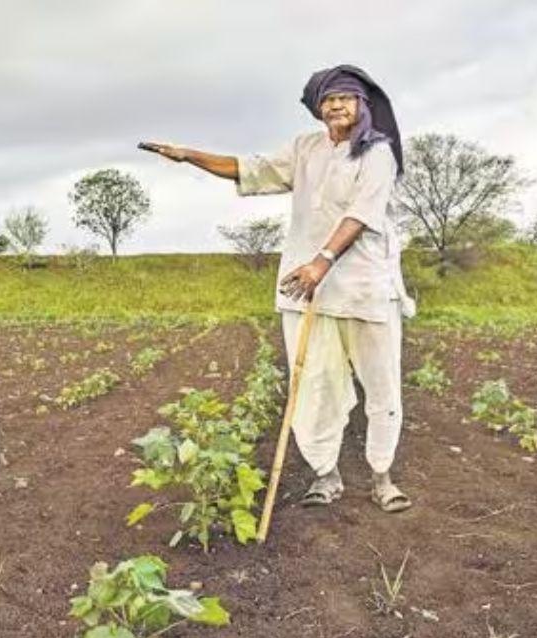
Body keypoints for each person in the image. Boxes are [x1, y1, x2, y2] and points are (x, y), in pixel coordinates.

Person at [139, 64, 415, 512]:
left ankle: (383, 476)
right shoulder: (306, 149)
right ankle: (326, 475)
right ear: (319, 111)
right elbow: (252, 170)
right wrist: (190, 155)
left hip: (366, 287)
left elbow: (362, 215)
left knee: (381, 384)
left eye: (344, 98)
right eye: (327, 100)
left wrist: (321, 262)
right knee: (315, 385)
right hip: (306, 289)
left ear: (363, 105)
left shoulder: (377, 153)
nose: (335, 105)